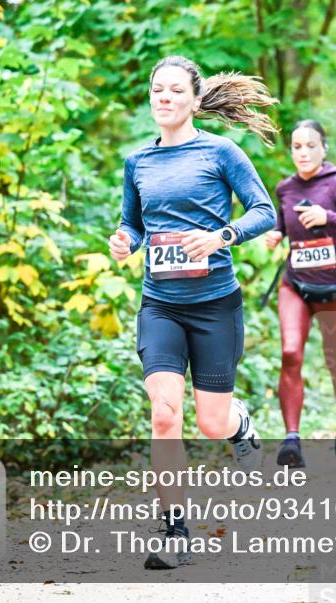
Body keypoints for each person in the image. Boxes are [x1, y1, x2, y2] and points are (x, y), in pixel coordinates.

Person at [108, 55, 277, 569]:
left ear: (195, 100)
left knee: (211, 422)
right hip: (160, 304)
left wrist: (220, 236)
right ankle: (175, 531)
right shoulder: (138, 162)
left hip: (214, 305)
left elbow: (263, 211)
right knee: (164, 415)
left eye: (176, 90)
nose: (164, 98)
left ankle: (240, 425)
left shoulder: (221, 152)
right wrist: (124, 242)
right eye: (157, 89)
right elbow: (132, 225)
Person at [263, 120, 336, 467]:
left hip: (335, 288)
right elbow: (285, 223)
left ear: (324, 148)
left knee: (335, 362)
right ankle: (292, 439)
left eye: (310, 145)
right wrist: (276, 234)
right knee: (290, 352)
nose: (303, 153)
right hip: (295, 284)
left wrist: (327, 216)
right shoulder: (285, 188)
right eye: (297, 146)